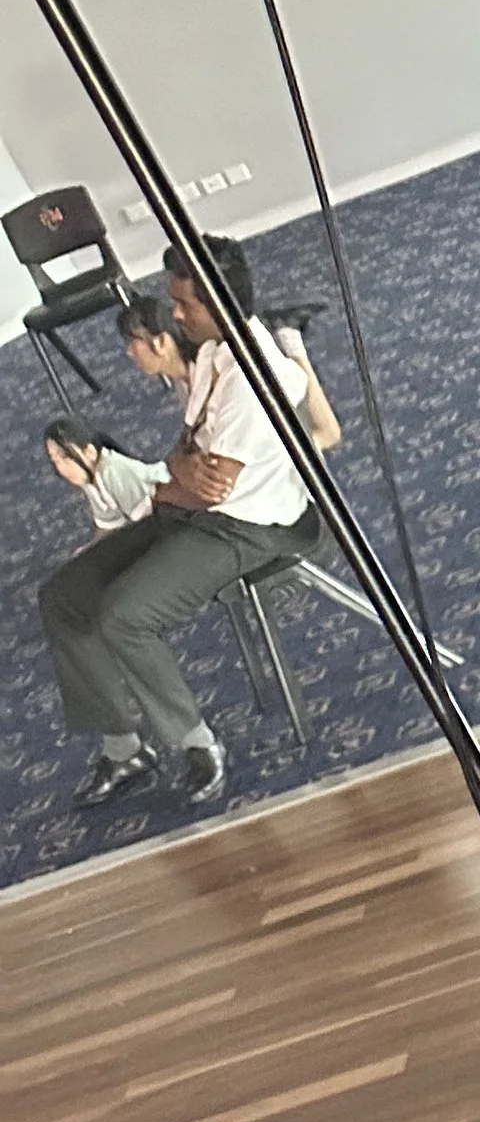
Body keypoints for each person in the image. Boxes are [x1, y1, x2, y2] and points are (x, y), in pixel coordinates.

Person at [38, 234, 314, 812]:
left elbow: (213, 481)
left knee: (124, 615)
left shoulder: (249, 377)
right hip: (191, 511)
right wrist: (180, 469)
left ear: (216, 302)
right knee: (63, 595)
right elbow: (184, 458)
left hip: (249, 526)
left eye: (183, 304)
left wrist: (181, 470)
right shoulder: (214, 350)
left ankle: (196, 744)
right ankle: (123, 749)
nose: (176, 313)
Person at [43, 415, 166, 534]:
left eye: (65, 456)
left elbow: (147, 521)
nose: (61, 468)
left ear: (90, 452)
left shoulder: (113, 471)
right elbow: (109, 525)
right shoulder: (89, 480)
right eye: (55, 461)